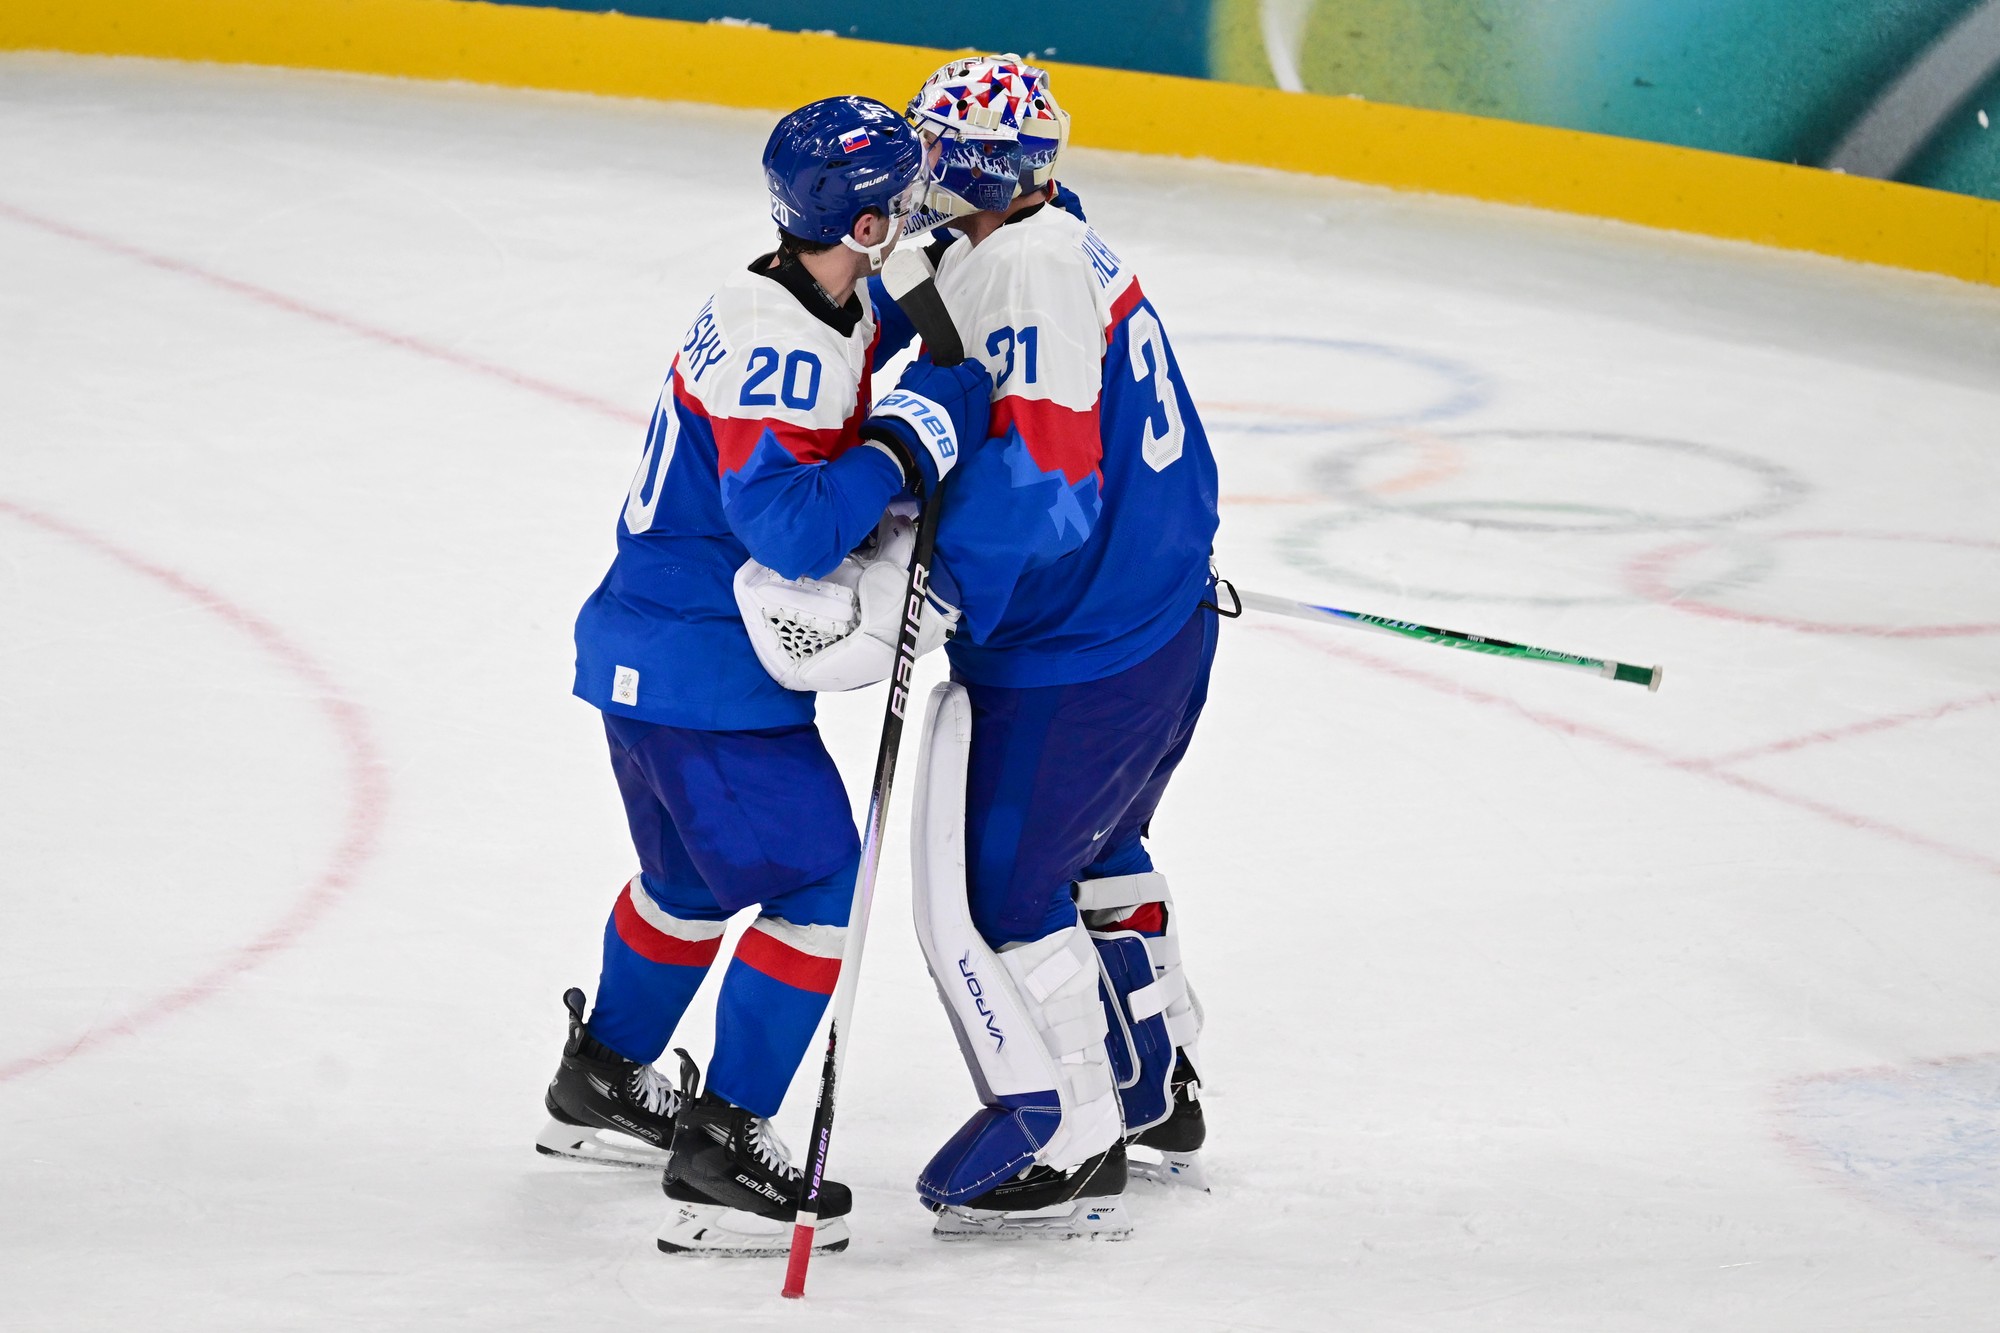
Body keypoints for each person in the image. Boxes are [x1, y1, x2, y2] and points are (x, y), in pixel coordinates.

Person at [538, 94, 991, 1259]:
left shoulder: (790, 293)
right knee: (816, 885)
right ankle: (724, 1149)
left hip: (645, 649)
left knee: (685, 887)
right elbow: (788, 528)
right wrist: (908, 438)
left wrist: (910, 338)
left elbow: (830, 394)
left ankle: (601, 1077)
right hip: (706, 677)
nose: (919, 205)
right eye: (902, 195)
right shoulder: (784, 341)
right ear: (864, 217)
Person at [879, 55, 1223, 1240]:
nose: (913, 167)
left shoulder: (1023, 276)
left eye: (931, 149)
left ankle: (1070, 1132)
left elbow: (1041, 483)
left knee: (1007, 887)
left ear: (970, 169)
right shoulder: (1051, 235)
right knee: (1100, 846)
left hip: (1076, 649)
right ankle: (1155, 1083)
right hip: (1158, 620)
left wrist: (940, 591)